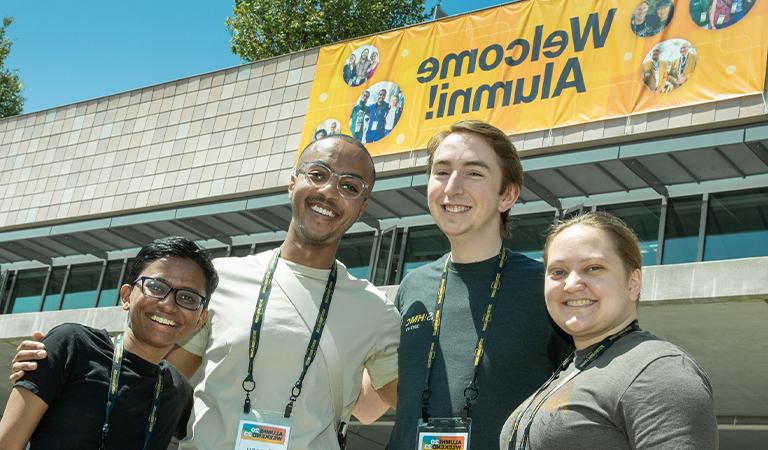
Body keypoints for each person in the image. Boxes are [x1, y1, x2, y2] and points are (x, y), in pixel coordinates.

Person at [10, 135, 401, 450]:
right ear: (293, 182)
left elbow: (394, 404)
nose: (330, 192)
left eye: (349, 186)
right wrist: (57, 363)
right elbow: (151, 375)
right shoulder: (217, 282)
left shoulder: (374, 310)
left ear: (362, 207)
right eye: (318, 174)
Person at [363, 120, 570, 449]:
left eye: (473, 173)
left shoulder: (547, 288)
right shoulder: (413, 287)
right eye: (442, 172)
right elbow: (367, 406)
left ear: (508, 195)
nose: (452, 188)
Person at [500, 212, 718, 449]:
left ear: (633, 282)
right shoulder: (569, 369)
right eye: (558, 272)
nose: (572, 284)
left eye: (593, 268)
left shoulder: (658, 371)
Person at [0, 237, 218, 450]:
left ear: (200, 319)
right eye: (156, 287)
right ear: (126, 296)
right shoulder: (73, 346)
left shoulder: (178, 392)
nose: (168, 305)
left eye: (188, 297)